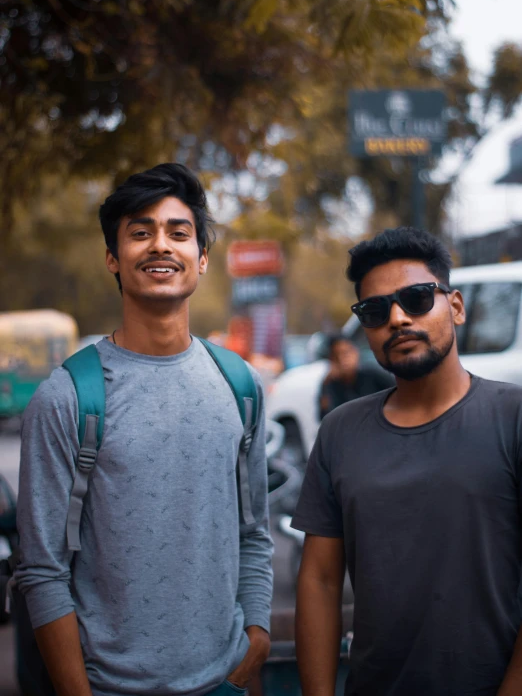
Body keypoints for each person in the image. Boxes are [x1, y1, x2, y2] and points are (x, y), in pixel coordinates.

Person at [15, 163, 273, 696]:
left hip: (227, 681)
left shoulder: (240, 384)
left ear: (201, 258)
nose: (161, 245)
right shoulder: (66, 398)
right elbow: (42, 570)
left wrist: (257, 641)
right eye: (140, 232)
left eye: (179, 233)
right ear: (113, 257)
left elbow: (254, 533)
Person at [292, 226, 522, 696]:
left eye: (417, 298)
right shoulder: (340, 431)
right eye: (375, 310)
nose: (396, 318)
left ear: (454, 306)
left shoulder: (513, 416)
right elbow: (319, 581)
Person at [318, 335, 391, 419]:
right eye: (335, 355)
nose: (341, 359)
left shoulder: (372, 374)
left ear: (355, 352)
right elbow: (324, 417)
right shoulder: (330, 383)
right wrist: (326, 385)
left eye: (346, 353)